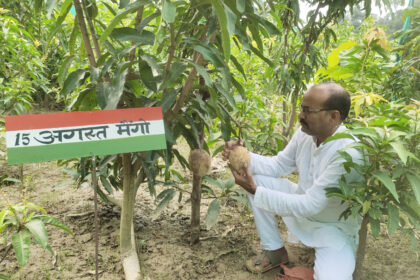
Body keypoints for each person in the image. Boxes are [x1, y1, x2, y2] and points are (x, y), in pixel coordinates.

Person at [223, 82, 362, 280]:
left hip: (333, 231)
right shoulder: (306, 134)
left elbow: (312, 205)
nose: (301, 116)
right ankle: (275, 251)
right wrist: (242, 156)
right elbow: (278, 165)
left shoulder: (348, 154)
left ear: (334, 116)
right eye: (301, 108)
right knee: (260, 181)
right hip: (302, 207)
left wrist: (256, 191)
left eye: (308, 111)